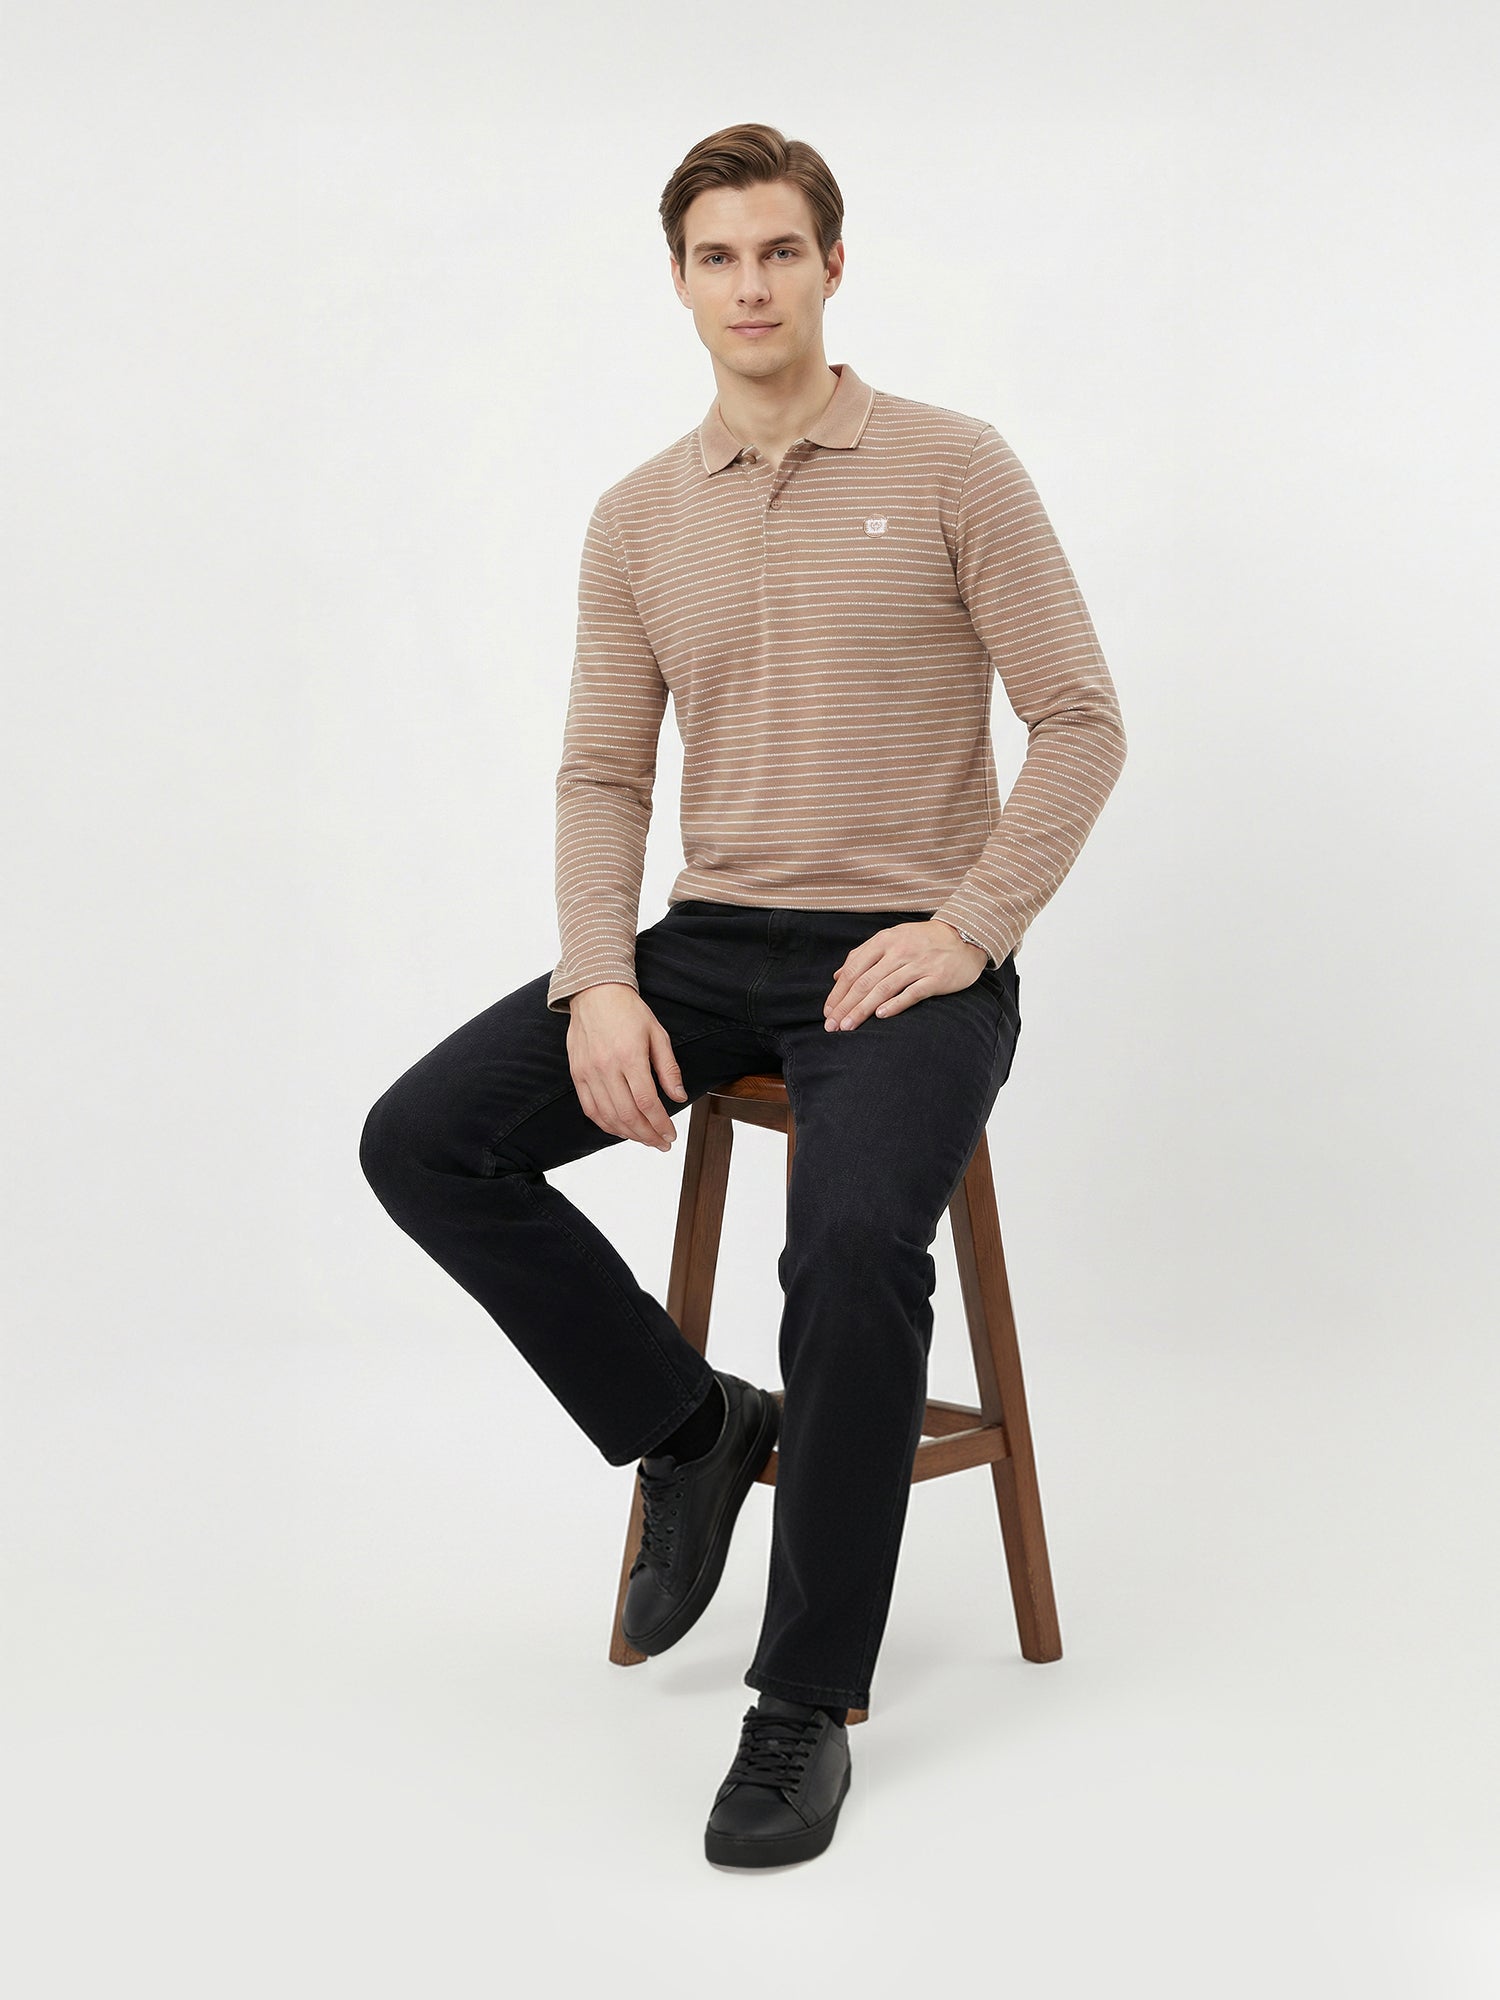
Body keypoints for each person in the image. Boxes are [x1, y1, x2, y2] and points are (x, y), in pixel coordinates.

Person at [359, 120, 1127, 1870]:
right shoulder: (640, 515)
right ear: (681, 281)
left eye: (781, 251)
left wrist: (972, 927)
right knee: (423, 1142)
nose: (752, 285)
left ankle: (803, 1704)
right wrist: (599, 980)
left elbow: (1081, 720)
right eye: (719, 257)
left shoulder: (954, 464)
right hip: (708, 940)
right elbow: (601, 775)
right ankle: (693, 1429)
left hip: (904, 954)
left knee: (848, 1251)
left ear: (832, 266)